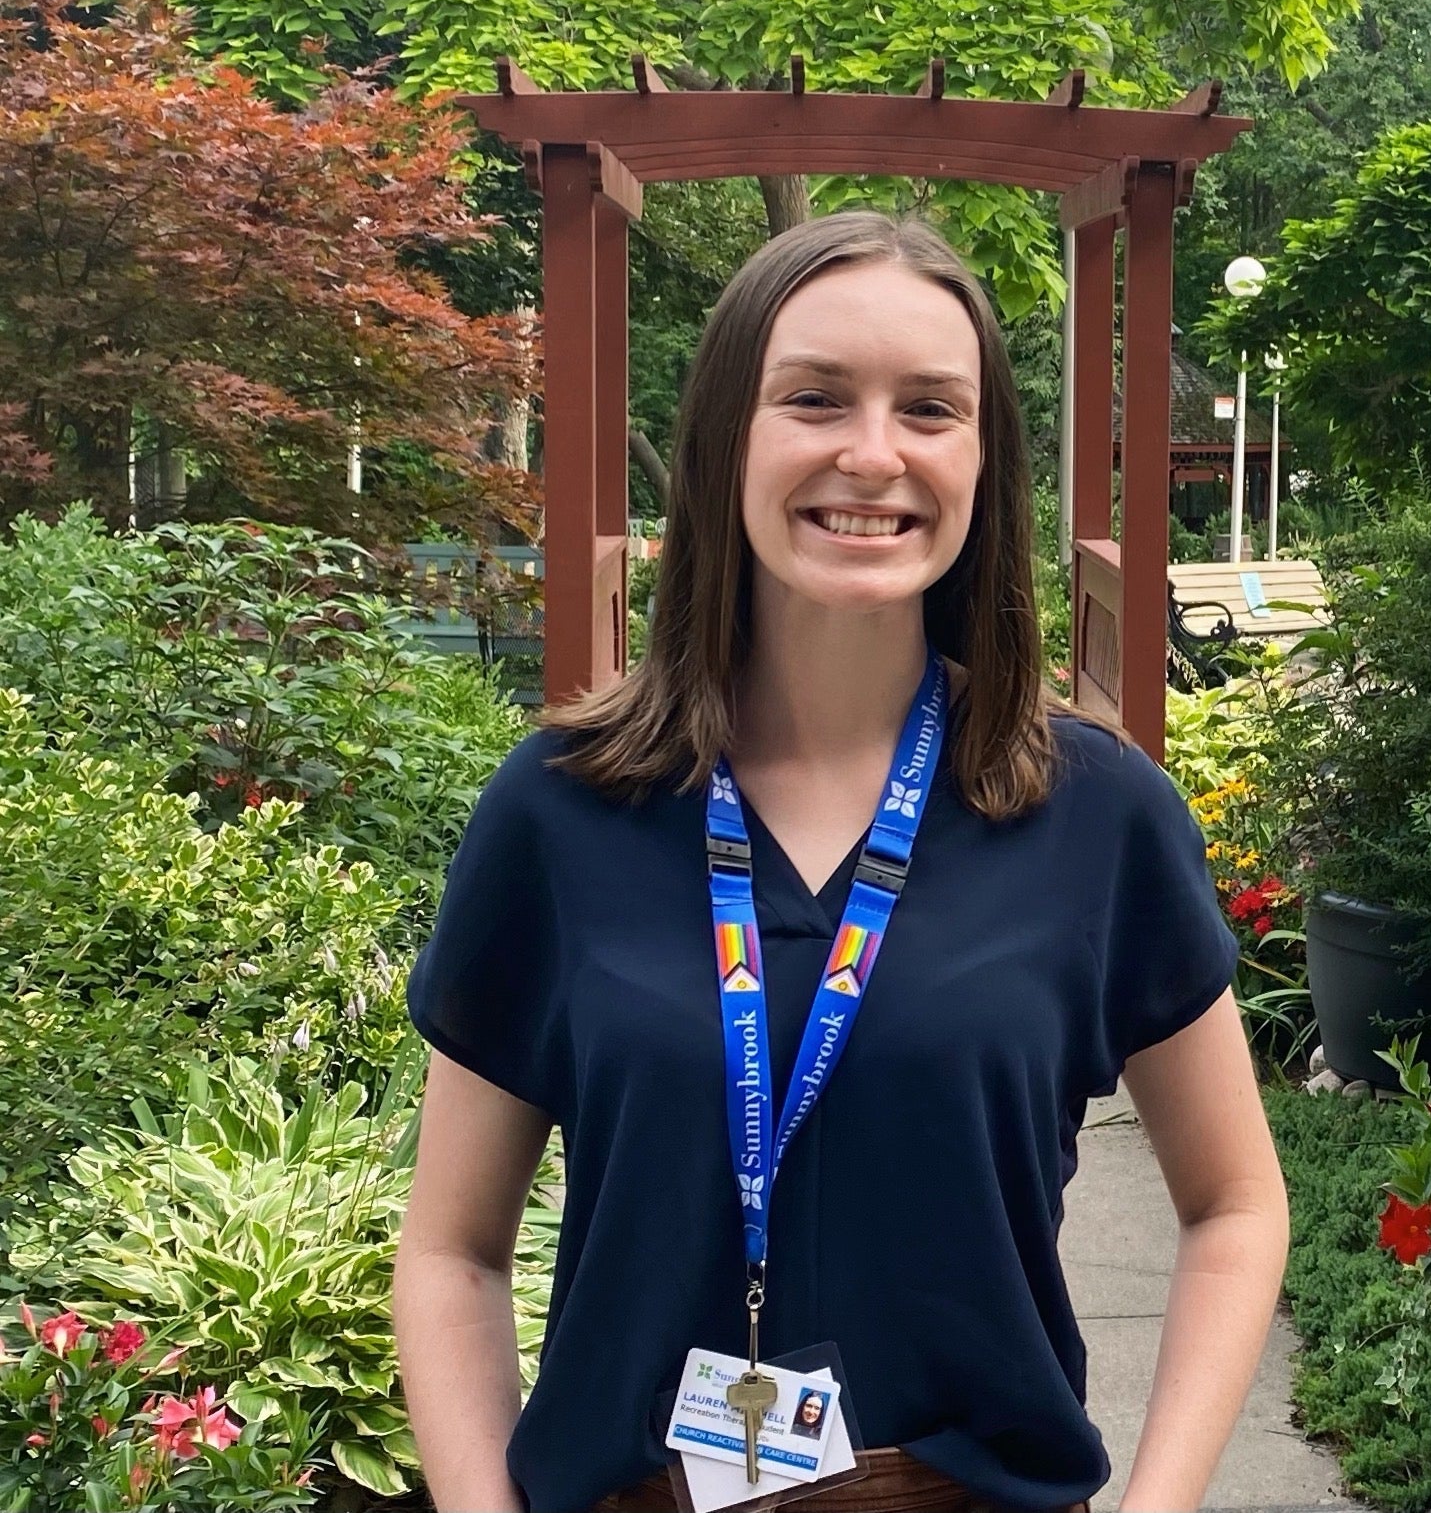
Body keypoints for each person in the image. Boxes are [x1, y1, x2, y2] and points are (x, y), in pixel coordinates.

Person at [393, 212, 1290, 1513]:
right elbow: (452, 1248)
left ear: (985, 458)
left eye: (929, 407)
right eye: (813, 396)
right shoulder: (560, 812)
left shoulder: (1099, 819)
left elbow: (1232, 1204)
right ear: (725, 438)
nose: (872, 453)